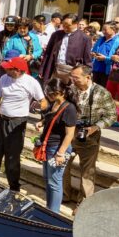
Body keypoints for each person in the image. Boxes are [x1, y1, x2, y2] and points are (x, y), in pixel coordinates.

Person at [0, 57, 46, 193]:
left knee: (13, 156)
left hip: (18, 123)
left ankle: (14, 187)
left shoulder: (31, 82)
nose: (5, 69)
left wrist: (40, 112)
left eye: (9, 68)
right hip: (1, 120)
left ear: (17, 70)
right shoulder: (4, 78)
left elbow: (44, 102)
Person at [64, 64, 116, 204]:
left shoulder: (102, 93)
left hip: (90, 136)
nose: (73, 80)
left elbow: (112, 116)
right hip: (69, 132)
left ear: (88, 77)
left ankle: (84, 205)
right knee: (62, 166)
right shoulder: (70, 90)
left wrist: (95, 127)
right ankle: (64, 195)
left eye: (76, 78)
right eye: (72, 77)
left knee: (87, 172)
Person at [37, 78, 78, 213]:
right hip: (47, 146)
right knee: (48, 179)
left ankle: (54, 212)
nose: (49, 96)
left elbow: (69, 134)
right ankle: (49, 208)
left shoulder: (70, 108)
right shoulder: (54, 104)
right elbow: (51, 117)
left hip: (58, 149)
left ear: (61, 92)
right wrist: (42, 123)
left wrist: (60, 153)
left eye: (52, 93)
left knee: (55, 182)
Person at [40, 12, 92, 83]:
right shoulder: (56, 35)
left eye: (68, 25)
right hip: (55, 68)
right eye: (63, 25)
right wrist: (42, 69)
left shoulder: (84, 38)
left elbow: (87, 59)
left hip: (72, 71)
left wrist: (86, 75)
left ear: (75, 24)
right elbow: (47, 53)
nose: (65, 27)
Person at [91, 21, 119, 87]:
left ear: (113, 30)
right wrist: (93, 54)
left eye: (105, 30)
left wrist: (105, 58)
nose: (103, 31)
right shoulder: (101, 39)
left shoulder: (118, 41)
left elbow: (118, 58)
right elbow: (94, 50)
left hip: (107, 71)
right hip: (96, 68)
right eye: (103, 29)